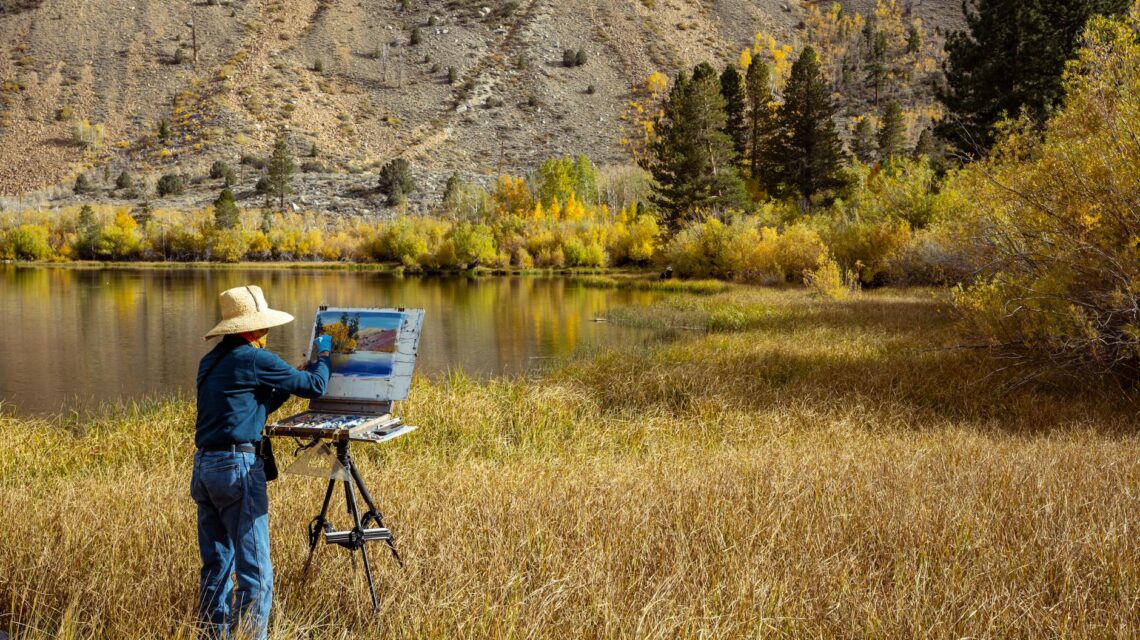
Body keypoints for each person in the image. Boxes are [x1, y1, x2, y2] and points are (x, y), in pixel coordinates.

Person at [192, 285, 332, 639]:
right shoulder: (255, 358)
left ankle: (215, 635)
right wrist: (326, 356)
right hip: (237, 468)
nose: (268, 333)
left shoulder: (211, 361)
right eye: (264, 327)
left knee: (217, 568)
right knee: (256, 572)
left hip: (205, 468)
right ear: (253, 329)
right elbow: (315, 385)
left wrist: (284, 382)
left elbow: (253, 408)